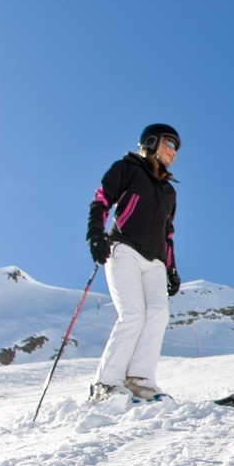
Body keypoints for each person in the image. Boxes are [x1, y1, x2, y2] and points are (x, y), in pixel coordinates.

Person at [86, 123, 181, 401]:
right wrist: (95, 233)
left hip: (155, 261)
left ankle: (140, 378)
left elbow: (168, 233)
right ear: (151, 142)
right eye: (169, 144)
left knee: (158, 314)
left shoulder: (168, 192)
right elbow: (101, 199)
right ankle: (106, 382)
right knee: (133, 314)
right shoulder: (127, 168)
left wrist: (171, 269)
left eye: (176, 148)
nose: (173, 152)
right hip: (124, 248)